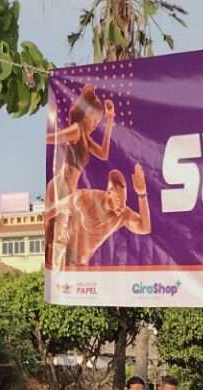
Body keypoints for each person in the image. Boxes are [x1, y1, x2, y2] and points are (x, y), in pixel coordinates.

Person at [44, 83, 113, 269]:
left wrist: (109, 121)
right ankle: (54, 272)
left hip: (70, 189)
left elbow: (104, 153)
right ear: (87, 114)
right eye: (95, 121)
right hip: (61, 186)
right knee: (57, 233)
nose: (95, 126)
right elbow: (55, 137)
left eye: (98, 123)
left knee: (66, 234)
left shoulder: (85, 137)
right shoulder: (76, 130)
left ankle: (60, 271)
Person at [47, 163, 152, 265]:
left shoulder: (123, 214)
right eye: (119, 200)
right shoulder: (85, 199)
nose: (122, 206)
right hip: (61, 255)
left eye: (124, 201)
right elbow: (55, 209)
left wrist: (142, 194)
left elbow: (145, 228)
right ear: (109, 192)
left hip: (80, 265)